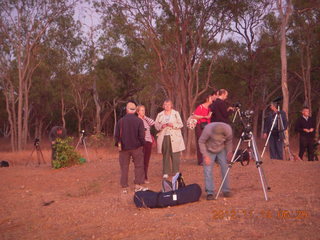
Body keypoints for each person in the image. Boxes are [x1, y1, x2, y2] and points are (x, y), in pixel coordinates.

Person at [114, 102, 147, 193]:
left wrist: (118, 144)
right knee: (139, 166)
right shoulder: (139, 121)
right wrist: (142, 144)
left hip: (124, 148)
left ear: (127, 109)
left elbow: (116, 136)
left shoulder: (121, 121)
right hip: (136, 148)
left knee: (124, 167)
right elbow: (141, 136)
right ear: (136, 110)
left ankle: (124, 187)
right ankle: (138, 185)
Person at [198, 122, 233, 200]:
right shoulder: (207, 130)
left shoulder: (228, 130)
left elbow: (229, 142)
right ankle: (210, 192)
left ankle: (226, 190)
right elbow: (201, 142)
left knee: (225, 168)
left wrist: (229, 152)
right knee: (208, 170)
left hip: (222, 149)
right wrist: (205, 155)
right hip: (209, 149)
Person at [155, 100, 185, 179]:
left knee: (175, 154)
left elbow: (181, 124)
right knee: (166, 154)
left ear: (171, 105)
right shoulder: (160, 114)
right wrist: (161, 126)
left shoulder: (176, 113)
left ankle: (176, 171)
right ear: (163, 105)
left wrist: (173, 125)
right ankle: (165, 172)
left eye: (169, 105)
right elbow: (156, 125)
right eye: (165, 104)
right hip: (164, 136)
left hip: (175, 136)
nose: (167, 106)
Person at [192, 94, 213, 165]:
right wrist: (204, 116)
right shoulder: (200, 107)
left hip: (207, 126)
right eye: (210, 98)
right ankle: (201, 160)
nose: (211, 100)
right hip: (200, 126)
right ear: (207, 99)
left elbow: (209, 117)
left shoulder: (209, 108)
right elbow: (194, 116)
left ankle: (207, 159)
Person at [136, 105, 155, 183]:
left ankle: (145, 177)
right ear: (138, 112)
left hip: (148, 141)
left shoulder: (145, 119)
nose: (143, 112)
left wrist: (145, 117)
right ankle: (139, 177)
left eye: (144, 110)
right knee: (140, 161)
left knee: (146, 160)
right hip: (141, 142)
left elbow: (153, 122)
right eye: (141, 110)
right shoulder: (137, 120)